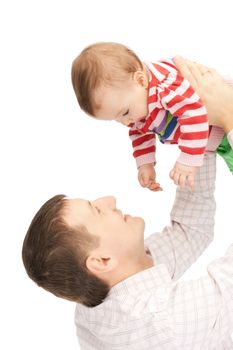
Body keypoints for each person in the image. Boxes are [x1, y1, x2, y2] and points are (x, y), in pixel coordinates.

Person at [22, 59, 233, 349]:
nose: (109, 200)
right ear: (101, 261)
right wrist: (229, 115)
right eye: (96, 210)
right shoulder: (164, 322)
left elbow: (190, 231)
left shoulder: (101, 294)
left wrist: (199, 144)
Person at [71, 42, 233, 191]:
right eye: (116, 119)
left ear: (140, 80)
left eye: (125, 113)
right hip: (217, 141)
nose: (126, 122)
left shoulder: (165, 87)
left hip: (225, 124)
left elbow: (194, 113)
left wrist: (187, 160)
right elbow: (140, 130)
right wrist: (145, 163)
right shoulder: (136, 98)